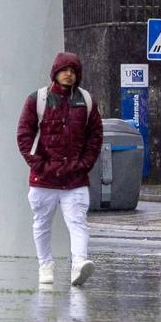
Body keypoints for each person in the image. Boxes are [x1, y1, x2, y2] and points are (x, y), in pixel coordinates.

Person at [17, 52, 103, 286]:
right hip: (43, 179)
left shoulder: (86, 102)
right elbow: (24, 136)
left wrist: (83, 164)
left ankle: (79, 264)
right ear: (55, 72)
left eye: (73, 71)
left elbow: (95, 137)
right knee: (42, 224)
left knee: (78, 222)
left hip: (75, 179)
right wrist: (40, 165)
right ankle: (45, 265)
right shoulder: (38, 99)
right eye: (65, 70)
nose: (69, 74)